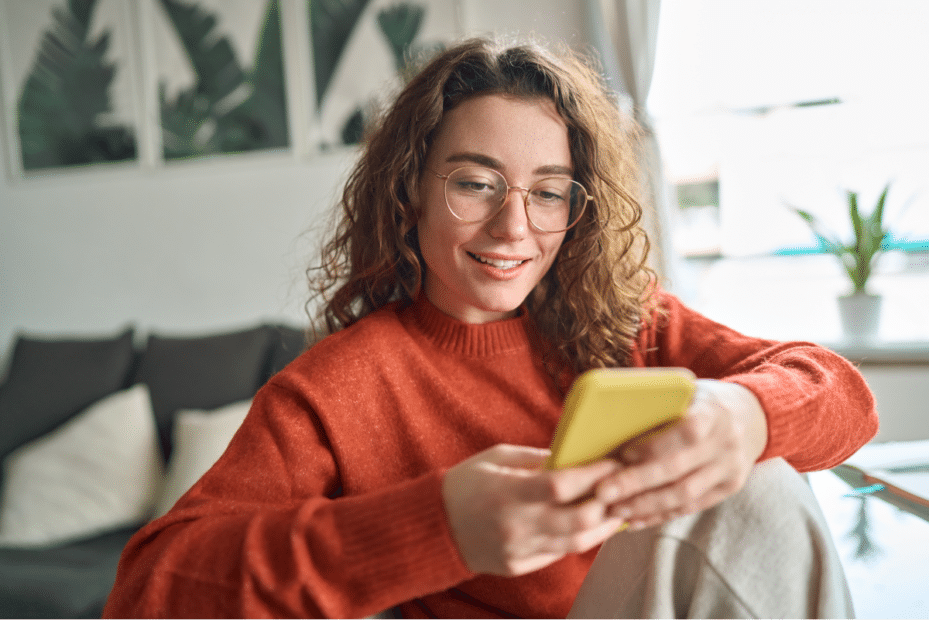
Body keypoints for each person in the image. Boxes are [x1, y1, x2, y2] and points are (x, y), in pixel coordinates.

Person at [103, 37, 877, 619]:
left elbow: (842, 395)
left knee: (762, 475)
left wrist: (742, 416)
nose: (513, 227)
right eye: (475, 183)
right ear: (408, 190)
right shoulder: (333, 390)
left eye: (548, 193)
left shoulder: (628, 324)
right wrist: (436, 528)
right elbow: (146, 592)